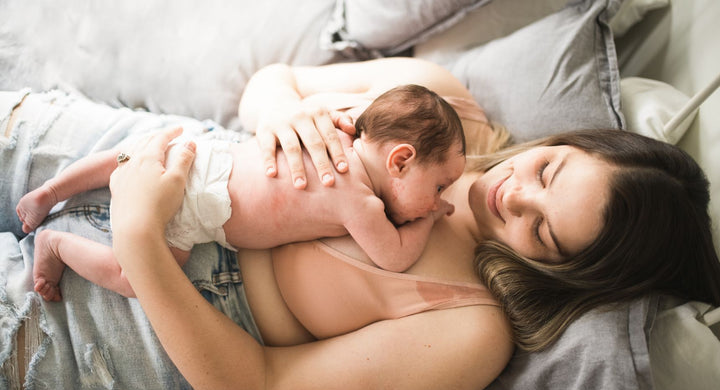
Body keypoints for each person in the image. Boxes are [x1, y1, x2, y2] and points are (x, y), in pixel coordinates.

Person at [1, 57, 719, 390]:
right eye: (550, 171)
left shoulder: (468, 328)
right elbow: (272, 81)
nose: (513, 196)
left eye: (545, 234)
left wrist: (137, 238)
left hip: (143, 304)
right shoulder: (446, 108)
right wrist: (280, 115)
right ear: (574, 141)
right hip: (176, 155)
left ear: (568, 273)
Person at [16, 84, 466, 301]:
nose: (439, 197)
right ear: (400, 160)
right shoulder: (359, 202)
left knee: (125, 155)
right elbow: (395, 257)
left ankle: (51, 190)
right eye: (439, 185)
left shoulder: (336, 127)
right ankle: (56, 246)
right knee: (136, 279)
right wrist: (428, 217)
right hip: (200, 211)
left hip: (210, 154)